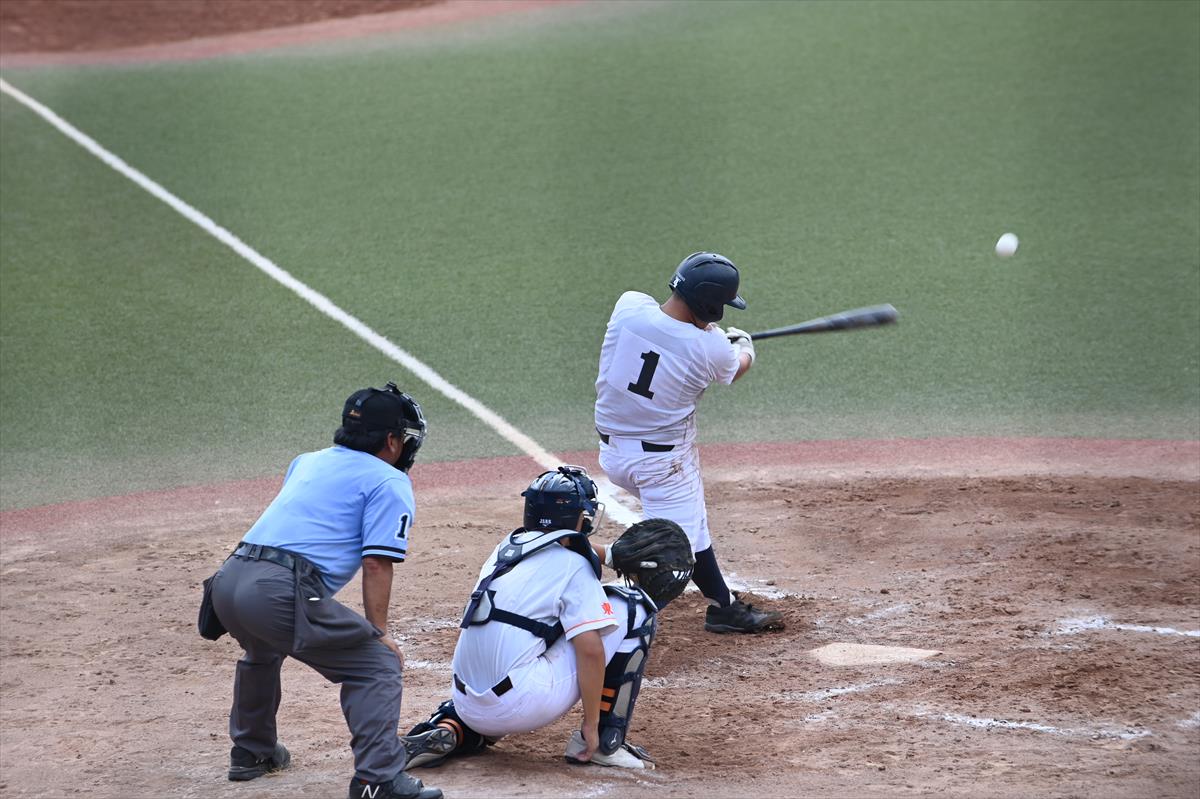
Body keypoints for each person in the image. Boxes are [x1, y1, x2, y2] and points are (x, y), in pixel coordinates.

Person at [207, 382, 442, 799]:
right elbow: (376, 561)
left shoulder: (307, 461)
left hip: (228, 580)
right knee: (376, 663)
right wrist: (379, 631)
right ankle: (378, 780)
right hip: (275, 590)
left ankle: (252, 752)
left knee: (263, 648)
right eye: (404, 438)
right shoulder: (388, 481)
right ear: (391, 440)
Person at [398, 467, 691, 772]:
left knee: (536, 629)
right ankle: (606, 742)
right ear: (577, 517)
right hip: (521, 704)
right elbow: (590, 651)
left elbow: (559, 544)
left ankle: (450, 727)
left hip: (466, 704)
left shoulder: (505, 549)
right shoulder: (574, 566)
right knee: (632, 606)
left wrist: (611, 554)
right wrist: (590, 724)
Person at [593, 251, 784, 634]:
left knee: (692, 527)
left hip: (612, 453)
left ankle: (724, 608)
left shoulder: (629, 307)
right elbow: (734, 368)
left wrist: (717, 340)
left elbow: (670, 336)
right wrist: (745, 346)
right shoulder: (712, 348)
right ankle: (608, 626)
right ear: (710, 306)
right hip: (662, 467)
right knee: (672, 558)